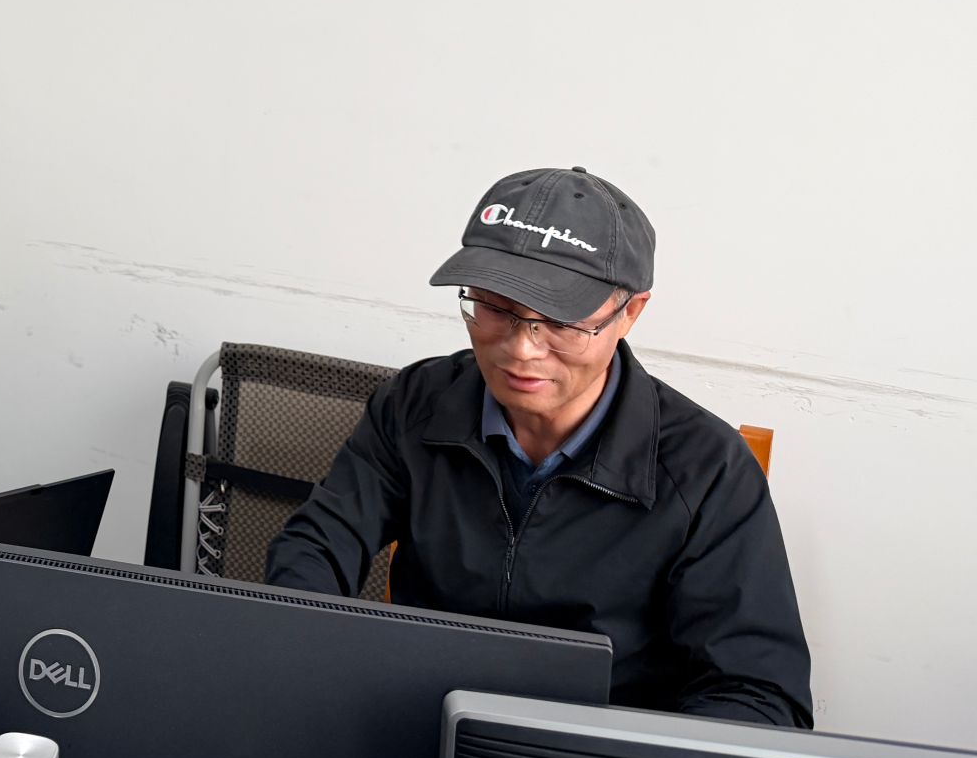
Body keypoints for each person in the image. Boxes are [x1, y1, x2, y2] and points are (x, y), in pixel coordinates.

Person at [264, 166, 812, 726]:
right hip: (417, 720)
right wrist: (311, 656)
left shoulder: (708, 470)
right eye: (495, 307)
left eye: (562, 322)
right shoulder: (414, 403)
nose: (521, 350)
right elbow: (317, 547)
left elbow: (760, 695)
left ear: (630, 312)